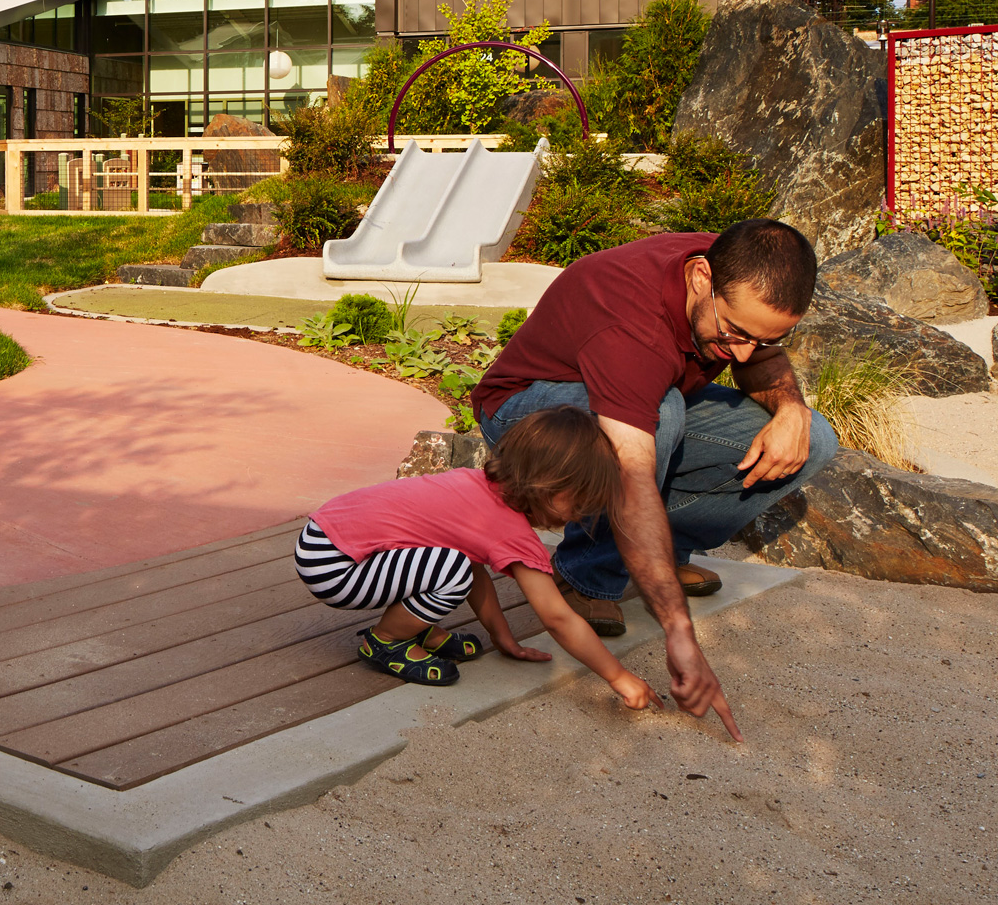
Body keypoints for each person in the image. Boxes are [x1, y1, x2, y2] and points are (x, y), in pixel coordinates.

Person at [472, 218, 839, 742]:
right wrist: (678, 631)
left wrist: (791, 408)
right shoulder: (629, 321)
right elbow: (633, 475)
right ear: (699, 278)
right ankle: (585, 576)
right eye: (734, 332)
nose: (741, 354)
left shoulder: (731, 282)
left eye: (765, 338)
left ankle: (663, 555)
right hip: (526, 412)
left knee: (815, 439)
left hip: (643, 398)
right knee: (660, 415)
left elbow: (758, 356)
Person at [295, 407, 659, 708]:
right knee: (451, 571)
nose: (578, 515)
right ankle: (386, 641)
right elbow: (558, 617)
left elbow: (474, 566)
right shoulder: (510, 530)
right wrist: (619, 676)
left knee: (453, 564)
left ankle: (413, 628)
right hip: (334, 565)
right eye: (578, 502)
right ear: (548, 484)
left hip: (325, 539)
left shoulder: (480, 488)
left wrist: (502, 637)